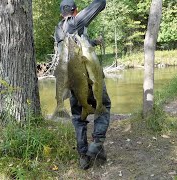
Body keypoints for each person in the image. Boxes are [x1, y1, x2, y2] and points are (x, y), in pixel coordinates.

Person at [54, 0, 111, 170]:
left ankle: (83, 157)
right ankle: (97, 143)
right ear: (75, 11)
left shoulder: (59, 30)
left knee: (79, 118)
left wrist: (92, 42)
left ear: (60, 13)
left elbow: (76, 47)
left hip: (72, 81)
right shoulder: (74, 22)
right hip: (88, 80)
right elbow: (100, 4)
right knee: (104, 106)